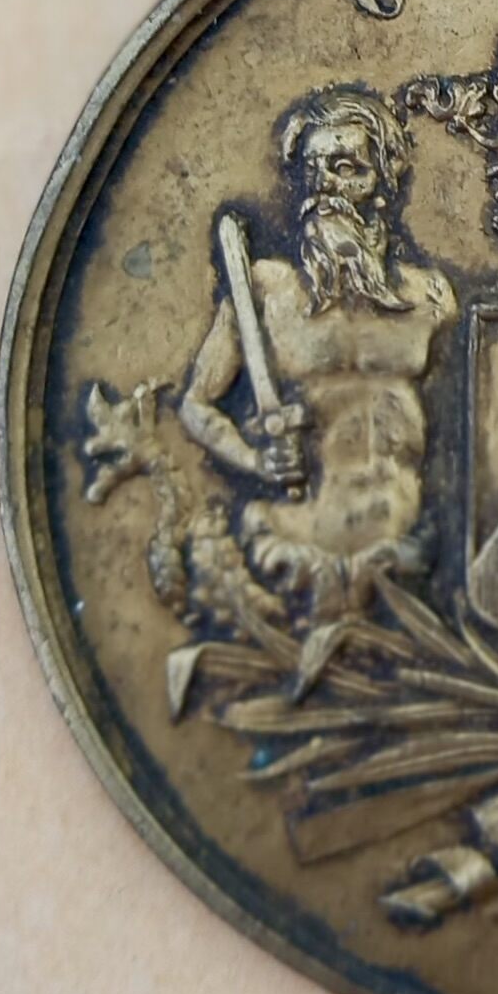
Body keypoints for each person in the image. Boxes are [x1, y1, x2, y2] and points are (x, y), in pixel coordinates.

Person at [180, 87, 456, 617]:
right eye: (314, 169)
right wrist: (255, 460)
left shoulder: (432, 297)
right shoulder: (266, 291)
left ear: (383, 185)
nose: (326, 186)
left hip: (408, 554)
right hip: (300, 544)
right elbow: (195, 404)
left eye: (347, 168)